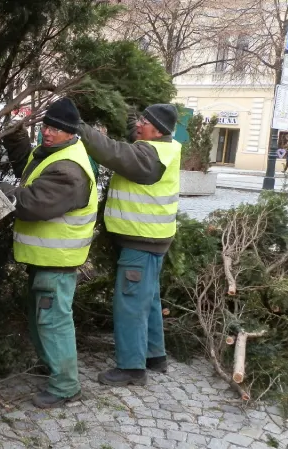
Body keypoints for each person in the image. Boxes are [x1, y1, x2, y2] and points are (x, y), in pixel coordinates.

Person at [0, 97, 98, 408]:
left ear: (71, 132)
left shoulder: (70, 169)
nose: (48, 132)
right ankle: (52, 367)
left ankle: (67, 386)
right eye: (45, 125)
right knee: (42, 319)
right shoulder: (54, 155)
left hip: (57, 262)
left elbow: (33, 202)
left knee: (53, 321)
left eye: (56, 128)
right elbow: (28, 168)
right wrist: (14, 134)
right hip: (44, 260)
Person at [77, 104, 181, 387]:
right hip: (151, 239)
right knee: (147, 299)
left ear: (157, 131)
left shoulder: (149, 156)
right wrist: (129, 111)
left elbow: (114, 152)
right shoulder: (160, 146)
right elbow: (131, 136)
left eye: (144, 122)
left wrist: (80, 127)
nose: (139, 126)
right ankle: (154, 355)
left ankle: (132, 369)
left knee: (130, 303)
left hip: (142, 241)